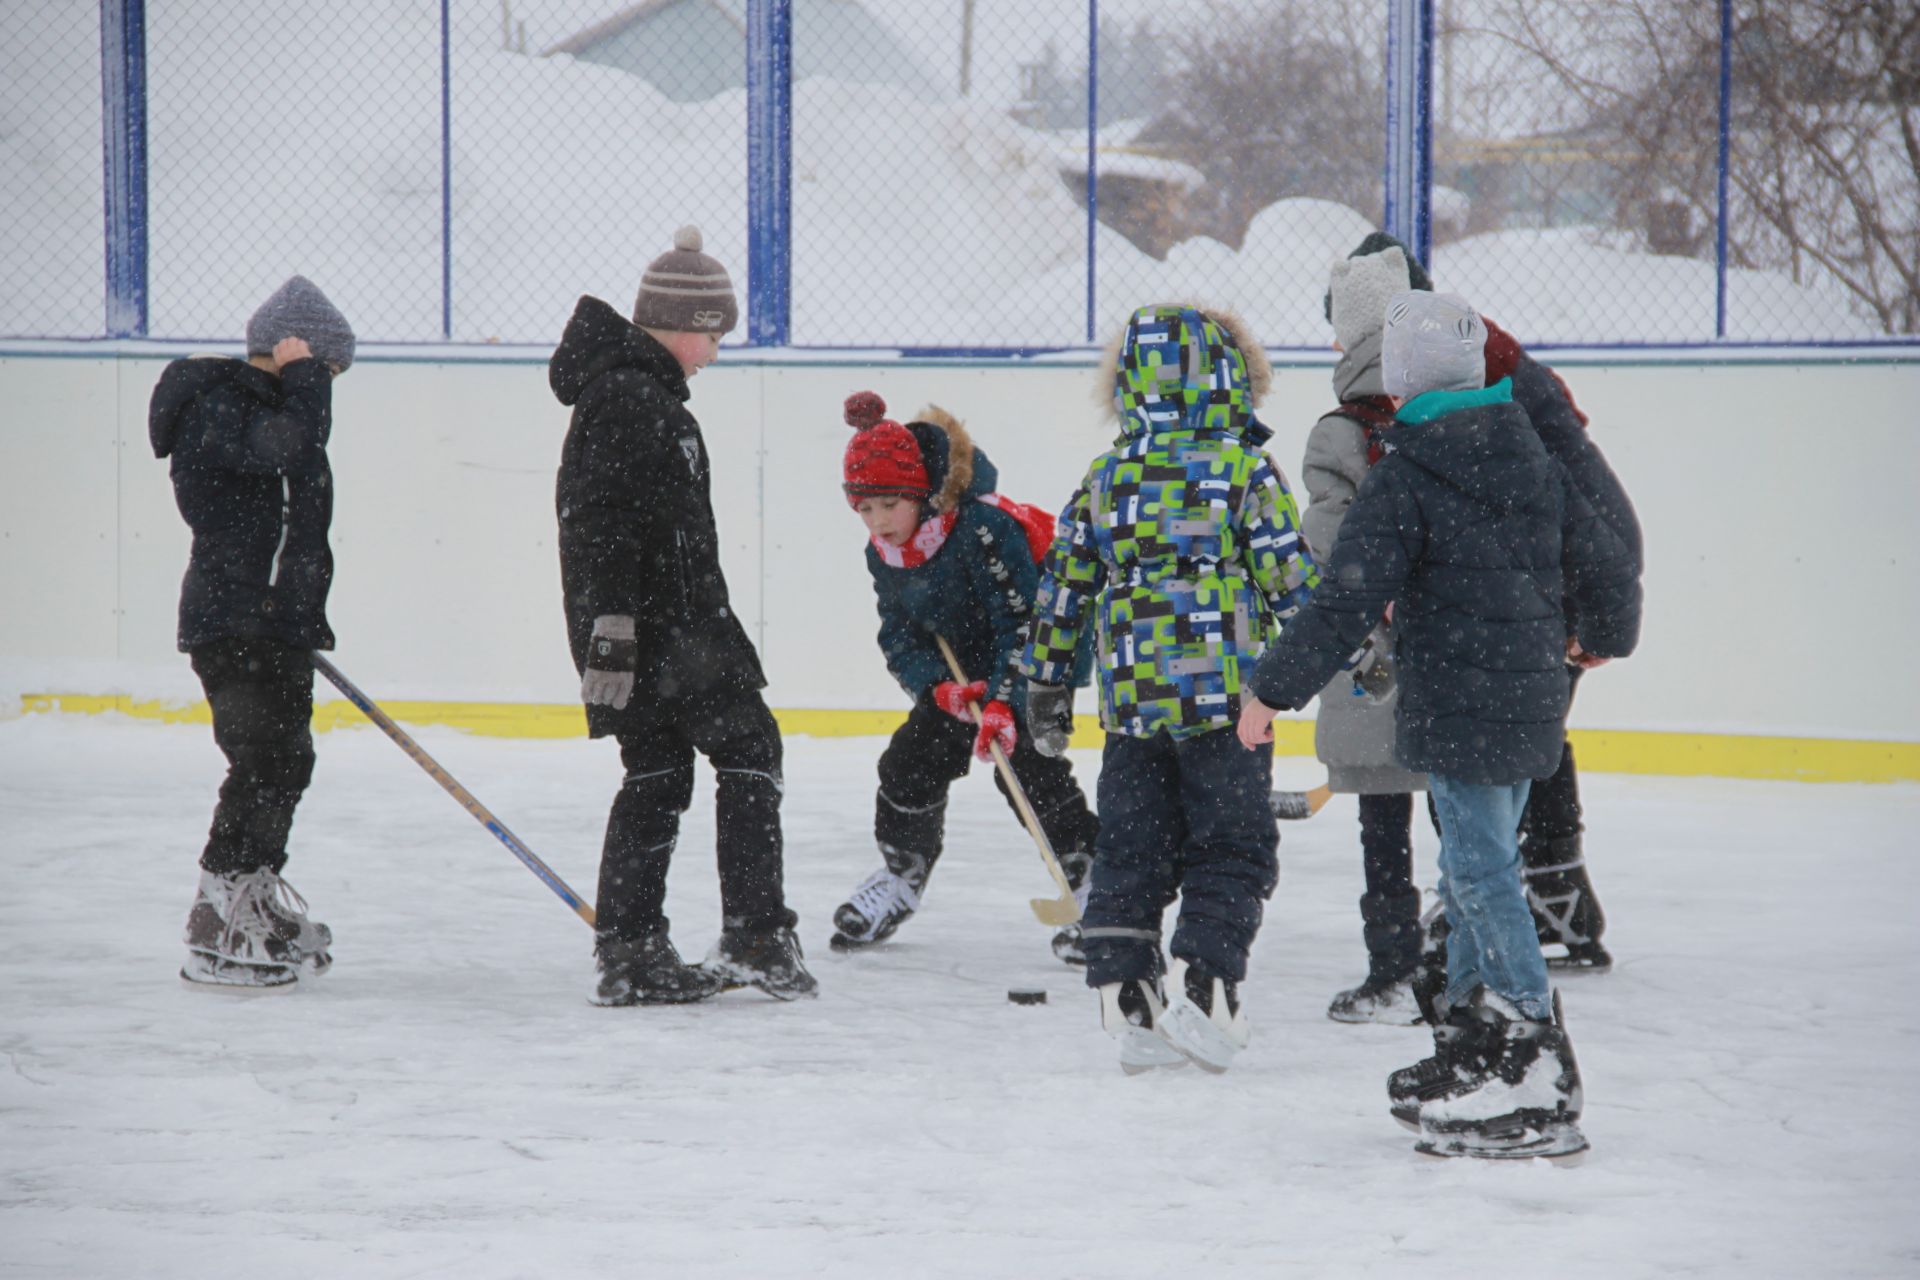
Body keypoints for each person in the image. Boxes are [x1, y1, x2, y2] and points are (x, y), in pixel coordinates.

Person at [1238, 290, 1642, 1159]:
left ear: (1401, 380)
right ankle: (1472, 1043)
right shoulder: (1533, 456)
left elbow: (1344, 599)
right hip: (1532, 698)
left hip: (1460, 706)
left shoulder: (1408, 472)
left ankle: (1533, 1063)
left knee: (1482, 875)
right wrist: (1602, 636)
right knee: (1469, 879)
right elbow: (1605, 553)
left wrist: (1270, 689)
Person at [1019, 304, 1319, 1074]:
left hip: (1133, 706)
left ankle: (1126, 996)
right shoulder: (1243, 470)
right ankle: (1210, 985)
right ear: (1232, 380)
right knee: (1232, 842)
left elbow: (1064, 588)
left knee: (1131, 845)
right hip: (1228, 705)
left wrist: (1046, 685)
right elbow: (1291, 578)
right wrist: (1351, 659)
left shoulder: (1108, 476)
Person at [550, 225, 814, 1006]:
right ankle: (755, 935)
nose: (719, 349)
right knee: (749, 748)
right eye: (715, 333)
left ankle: (632, 950)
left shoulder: (638, 394)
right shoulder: (631, 399)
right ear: (685, 326)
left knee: (659, 772)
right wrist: (614, 632)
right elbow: (602, 523)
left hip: (660, 626)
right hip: (666, 631)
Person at [831, 392, 1101, 964]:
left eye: (889, 505)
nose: (879, 523)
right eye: (865, 509)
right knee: (908, 763)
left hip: (1042, 657)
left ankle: (1091, 881)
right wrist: (937, 689)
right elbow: (900, 637)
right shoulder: (884, 553)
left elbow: (1025, 622)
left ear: (923, 495)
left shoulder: (983, 528)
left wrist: (1006, 701)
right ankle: (901, 875)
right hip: (961, 675)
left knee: (1029, 768)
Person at [150, 275, 353, 989]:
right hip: (234, 624)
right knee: (263, 762)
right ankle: (219, 908)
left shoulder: (271, 409)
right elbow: (283, 452)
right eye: (327, 367)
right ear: (291, 352)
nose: (327, 385)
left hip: (271, 625)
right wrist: (305, 382)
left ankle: (252, 895)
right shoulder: (220, 405)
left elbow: (293, 520)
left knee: (287, 761)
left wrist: (298, 616)